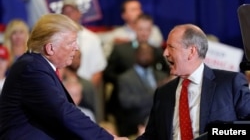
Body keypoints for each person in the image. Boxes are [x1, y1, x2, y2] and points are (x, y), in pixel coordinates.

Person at [0, 13, 128, 140]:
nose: (76, 48)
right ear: (50, 48)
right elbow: (63, 113)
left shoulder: (38, 66)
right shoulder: (32, 69)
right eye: (71, 42)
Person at [136, 24, 250, 140]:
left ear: (191, 52)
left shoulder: (230, 83)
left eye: (171, 47)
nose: (165, 53)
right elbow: (151, 137)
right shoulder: (163, 93)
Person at [116, 43, 170, 136]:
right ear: (136, 55)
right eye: (143, 53)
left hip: (163, 117)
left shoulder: (163, 76)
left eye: (149, 53)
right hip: (137, 121)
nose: (146, 55)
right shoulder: (125, 78)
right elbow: (126, 102)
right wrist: (156, 92)